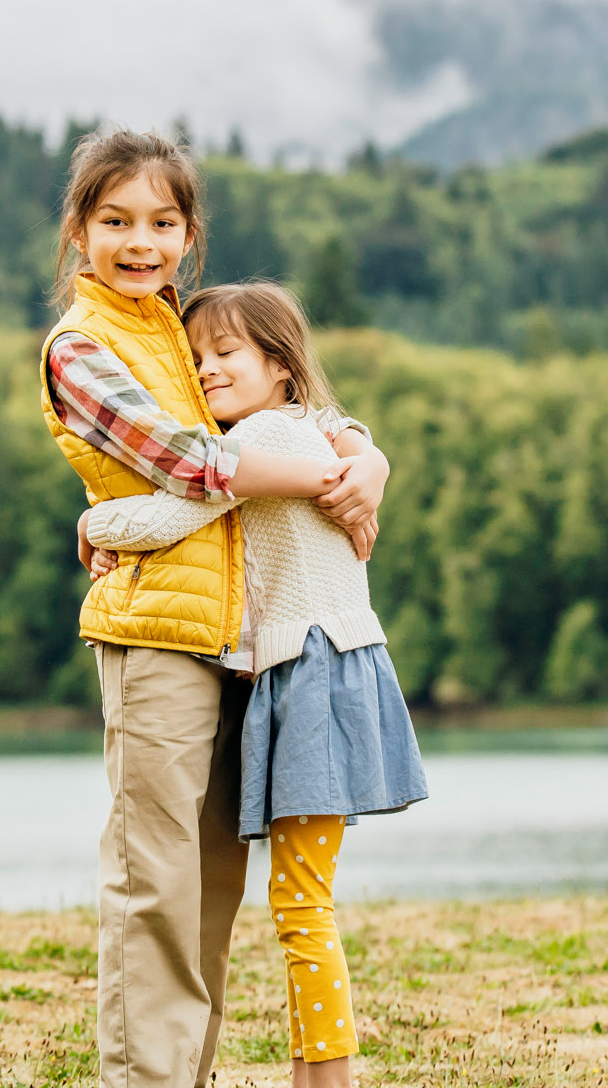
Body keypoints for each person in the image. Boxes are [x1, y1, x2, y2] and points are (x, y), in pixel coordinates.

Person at [38, 128, 391, 1088]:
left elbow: (290, 406)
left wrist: (367, 458)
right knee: (154, 885)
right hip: (157, 634)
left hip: (245, 649)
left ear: (189, 234)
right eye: (115, 220)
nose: (138, 240)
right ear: (79, 232)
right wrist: (331, 470)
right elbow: (194, 464)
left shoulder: (180, 332)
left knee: (209, 895)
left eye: (161, 221)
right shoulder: (83, 346)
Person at [79, 280, 428, 1088]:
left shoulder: (267, 442)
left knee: (303, 903)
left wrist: (94, 523)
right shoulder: (308, 434)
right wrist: (368, 454)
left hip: (313, 677)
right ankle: (318, 1074)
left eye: (226, 353)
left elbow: (171, 514)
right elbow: (347, 435)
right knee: (303, 896)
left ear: (281, 364)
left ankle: (330, 1078)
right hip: (313, 676)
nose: (205, 370)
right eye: (195, 357)